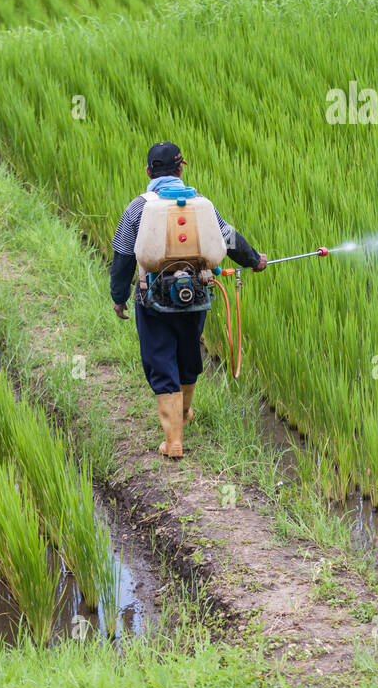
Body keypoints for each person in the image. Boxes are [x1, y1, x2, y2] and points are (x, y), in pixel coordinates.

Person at [110, 141, 266, 459]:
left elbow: (123, 255)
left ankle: (173, 441)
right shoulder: (201, 204)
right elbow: (229, 238)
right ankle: (183, 414)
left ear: (148, 171)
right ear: (181, 169)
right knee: (187, 354)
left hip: (152, 298)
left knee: (159, 358)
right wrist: (254, 260)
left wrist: (119, 297)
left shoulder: (138, 207)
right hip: (194, 296)